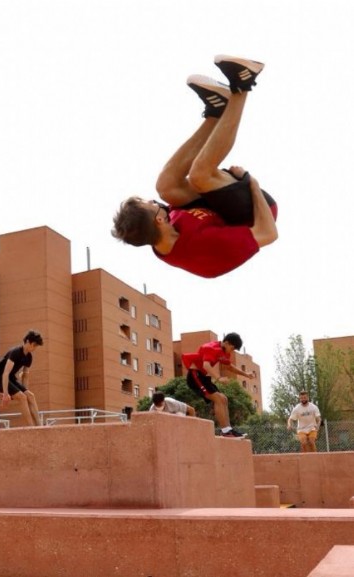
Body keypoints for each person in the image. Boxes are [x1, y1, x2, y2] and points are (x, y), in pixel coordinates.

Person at [111, 55, 278, 278]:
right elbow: (268, 234)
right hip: (254, 216)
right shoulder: (204, 247)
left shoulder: (160, 230)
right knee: (200, 175)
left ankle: (216, 112)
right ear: (159, 219)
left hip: (216, 210)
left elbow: (170, 193)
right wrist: (252, 182)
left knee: (166, 186)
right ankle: (243, 83)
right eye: (150, 204)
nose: (154, 201)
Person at [181, 332, 256, 438]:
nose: (232, 351)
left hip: (203, 377)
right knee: (218, 399)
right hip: (195, 376)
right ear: (226, 342)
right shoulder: (210, 348)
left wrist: (246, 375)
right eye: (232, 348)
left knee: (224, 398)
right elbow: (206, 365)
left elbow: (229, 366)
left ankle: (229, 429)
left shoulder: (224, 352)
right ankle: (225, 431)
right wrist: (219, 378)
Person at [0, 330, 44, 427]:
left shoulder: (29, 357)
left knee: (30, 396)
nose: (35, 348)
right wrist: (6, 394)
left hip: (11, 378)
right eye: (34, 345)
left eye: (37, 346)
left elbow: (25, 375)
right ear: (28, 341)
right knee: (22, 397)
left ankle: (39, 425)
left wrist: (25, 390)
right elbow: (5, 373)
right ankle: (31, 426)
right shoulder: (15, 352)